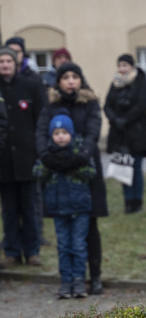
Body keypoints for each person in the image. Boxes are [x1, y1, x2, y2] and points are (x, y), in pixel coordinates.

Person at [36, 63, 109, 294]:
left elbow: (92, 132)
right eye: (65, 77)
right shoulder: (50, 106)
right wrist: (48, 157)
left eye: (74, 76)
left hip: (86, 170)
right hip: (57, 171)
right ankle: (69, 278)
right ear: (58, 82)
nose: (70, 81)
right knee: (65, 235)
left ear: (80, 80)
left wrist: (79, 157)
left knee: (90, 227)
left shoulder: (89, 103)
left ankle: (94, 275)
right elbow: (40, 133)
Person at [33, 110, 93, 299]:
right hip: (58, 208)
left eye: (64, 133)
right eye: (56, 133)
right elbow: (37, 172)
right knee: (63, 246)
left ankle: (79, 280)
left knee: (78, 246)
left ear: (71, 134)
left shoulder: (80, 151)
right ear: (51, 136)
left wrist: (73, 164)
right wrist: (50, 164)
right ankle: (65, 282)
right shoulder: (47, 155)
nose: (60, 137)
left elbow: (91, 172)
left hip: (79, 207)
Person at [0, 47, 38, 268]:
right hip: (4, 162)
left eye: (8, 61)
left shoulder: (30, 86)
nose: (5, 65)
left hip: (27, 159)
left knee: (30, 208)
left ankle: (32, 251)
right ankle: (12, 251)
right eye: (1, 61)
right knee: (9, 210)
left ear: (16, 64)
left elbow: (40, 119)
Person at [103, 54, 146, 213]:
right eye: (120, 65)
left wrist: (126, 119)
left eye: (125, 65)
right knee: (122, 167)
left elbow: (143, 103)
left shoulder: (139, 81)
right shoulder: (115, 83)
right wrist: (115, 119)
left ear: (131, 66)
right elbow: (107, 105)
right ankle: (128, 201)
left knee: (136, 167)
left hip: (136, 132)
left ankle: (137, 201)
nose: (122, 68)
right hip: (119, 133)